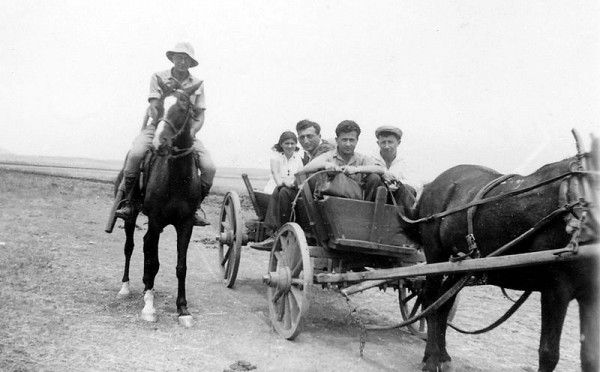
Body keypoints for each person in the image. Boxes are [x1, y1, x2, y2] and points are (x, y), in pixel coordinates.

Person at [114, 42, 216, 226]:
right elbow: (153, 106)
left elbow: (200, 116)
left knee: (209, 167)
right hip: (159, 127)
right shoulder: (158, 77)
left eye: (186, 58)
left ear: (191, 62)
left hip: (185, 133)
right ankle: (129, 202)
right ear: (172, 58)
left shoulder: (197, 85)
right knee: (136, 154)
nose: (182, 61)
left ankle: (195, 208)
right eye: (179, 57)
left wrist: (191, 132)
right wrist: (162, 125)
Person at [299, 120, 386, 202]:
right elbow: (304, 169)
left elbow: (380, 169)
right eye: (344, 140)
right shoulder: (328, 156)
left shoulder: (361, 158)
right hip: (332, 206)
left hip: (359, 206)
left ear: (357, 141)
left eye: (351, 140)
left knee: (374, 177)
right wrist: (325, 164)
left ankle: (366, 212)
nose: (348, 144)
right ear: (337, 140)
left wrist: (356, 169)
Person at [374, 125, 423, 202]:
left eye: (390, 142)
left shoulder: (406, 162)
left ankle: (400, 214)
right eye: (383, 142)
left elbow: (415, 184)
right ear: (378, 143)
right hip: (377, 198)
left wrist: (396, 184)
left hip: (399, 199)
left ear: (398, 143)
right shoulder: (372, 160)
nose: (387, 146)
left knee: (408, 189)